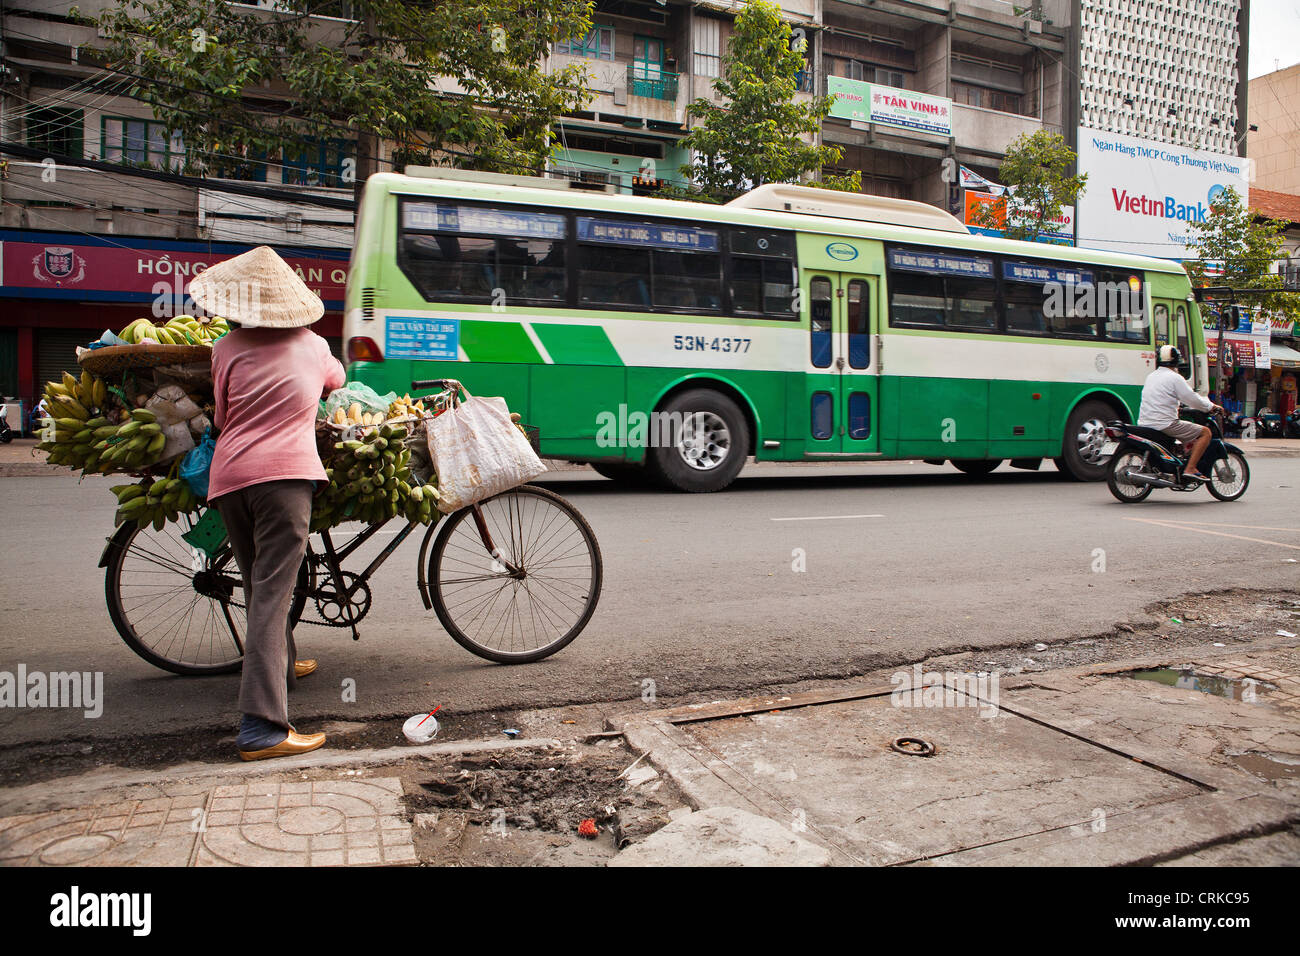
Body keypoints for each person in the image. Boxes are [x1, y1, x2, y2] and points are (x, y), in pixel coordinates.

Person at [189, 246, 345, 761]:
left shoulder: (226, 347)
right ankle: (261, 728)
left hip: (230, 477)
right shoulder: (315, 345)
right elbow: (336, 382)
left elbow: (221, 415)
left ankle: (280, 666)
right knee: (272, 594)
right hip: (285, 480)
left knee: (262, 586)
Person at [1137, 345, 1222, 481]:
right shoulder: (1175, 378)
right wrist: (1210, 407)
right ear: (1177, 361)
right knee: (1205, 432)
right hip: (1165, 424)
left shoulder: (1151, 376)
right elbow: (1192, 399)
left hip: (1145, 423)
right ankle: (1190, 468)